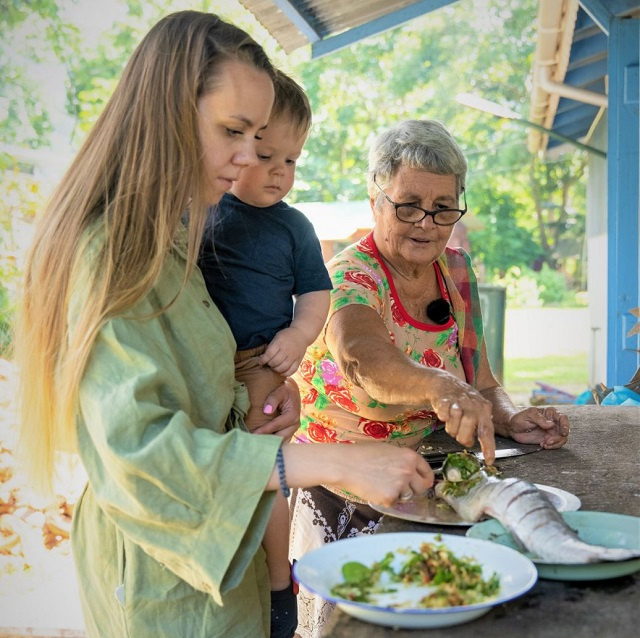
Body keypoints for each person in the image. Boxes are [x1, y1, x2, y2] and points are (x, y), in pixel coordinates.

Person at [13, 14, 434, 638]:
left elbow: (191, 380)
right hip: (167, 579)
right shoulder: (110, 255)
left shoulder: (176, 235)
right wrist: (327, 463)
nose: (246, 161)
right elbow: (143, 454)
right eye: (234, 132)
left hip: (222, 557)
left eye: (260, 139)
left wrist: (255, 399)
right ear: (166, 116)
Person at [288, 119, 571, 638]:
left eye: (443, 207)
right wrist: (439, 385)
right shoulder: (349, 275)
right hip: (341, 491)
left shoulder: (456, 271)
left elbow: (481, 379)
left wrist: (510, 416)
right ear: (376, 200)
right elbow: (362, 358)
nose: (426, 222)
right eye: (408, 204)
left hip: (426, 485)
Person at [198, 68, 331, 637]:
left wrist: (299, 337)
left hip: (258, 361)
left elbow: (316, 294)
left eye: (293, 161)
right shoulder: (202, 211)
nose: (280, 172)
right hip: (201, 362)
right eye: (267, 155)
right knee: (208, 470)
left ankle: (280, 581)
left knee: (263, 469)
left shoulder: (293, 226)